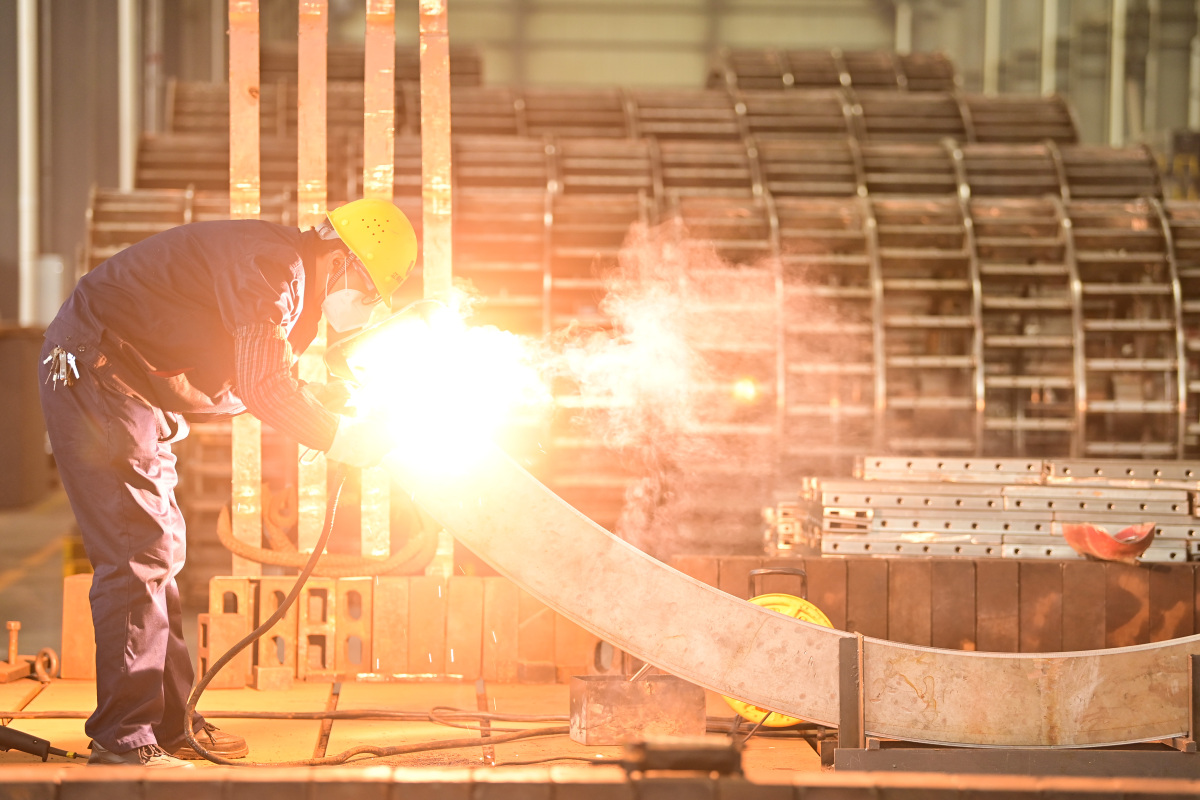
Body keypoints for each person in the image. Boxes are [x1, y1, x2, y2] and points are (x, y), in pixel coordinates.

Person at [38, 198, 417, 768]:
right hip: (96, 372)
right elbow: (264, 386)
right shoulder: (273, 268)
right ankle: (124, 740)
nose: (361, 310)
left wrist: (328, 402)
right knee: (137, 550)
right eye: (365, 294)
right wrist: (340, 438)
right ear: (340, 259)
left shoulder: (282, 286)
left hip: (127, 387)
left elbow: (249, 374)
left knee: (160, 550)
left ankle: (168, 725)